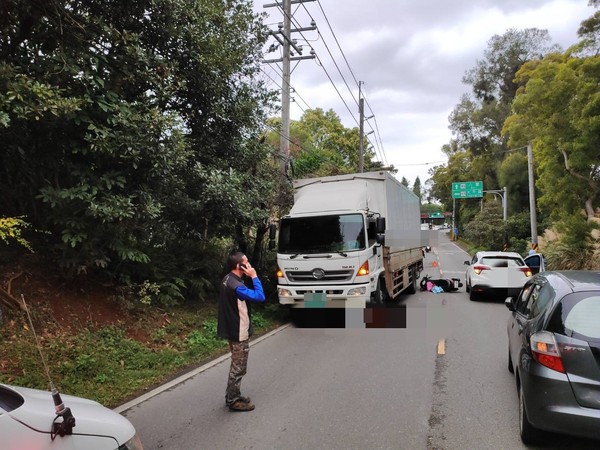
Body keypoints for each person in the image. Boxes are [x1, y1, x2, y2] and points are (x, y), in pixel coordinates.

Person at [217, 251, 266, 412]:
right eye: (246, 262)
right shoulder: (236, 287)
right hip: (238, 331)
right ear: (239, 265)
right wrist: (254, 276)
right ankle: (233, 401)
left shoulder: (228, 278)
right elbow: (260, 297)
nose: (249, 264)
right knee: (239, 367)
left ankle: (233, 394)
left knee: (236, 365)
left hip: (231, 328)